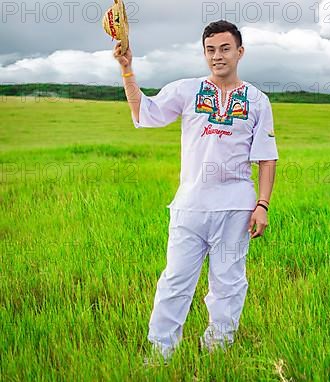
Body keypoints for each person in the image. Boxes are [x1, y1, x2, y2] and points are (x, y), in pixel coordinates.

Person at [112, 20, 278, 362]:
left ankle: (217, 350)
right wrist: (127, 71)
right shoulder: (187, 90)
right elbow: (144, 113)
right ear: (204, 53)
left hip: (235, 208)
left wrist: (262, 205)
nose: (217, 56)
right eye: (211, 50)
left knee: (229, 285)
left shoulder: (258, 101)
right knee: (175, 282)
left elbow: (266, 159)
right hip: (189, 206)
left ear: (240, 52)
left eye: (225, 48)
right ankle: (160, 353)